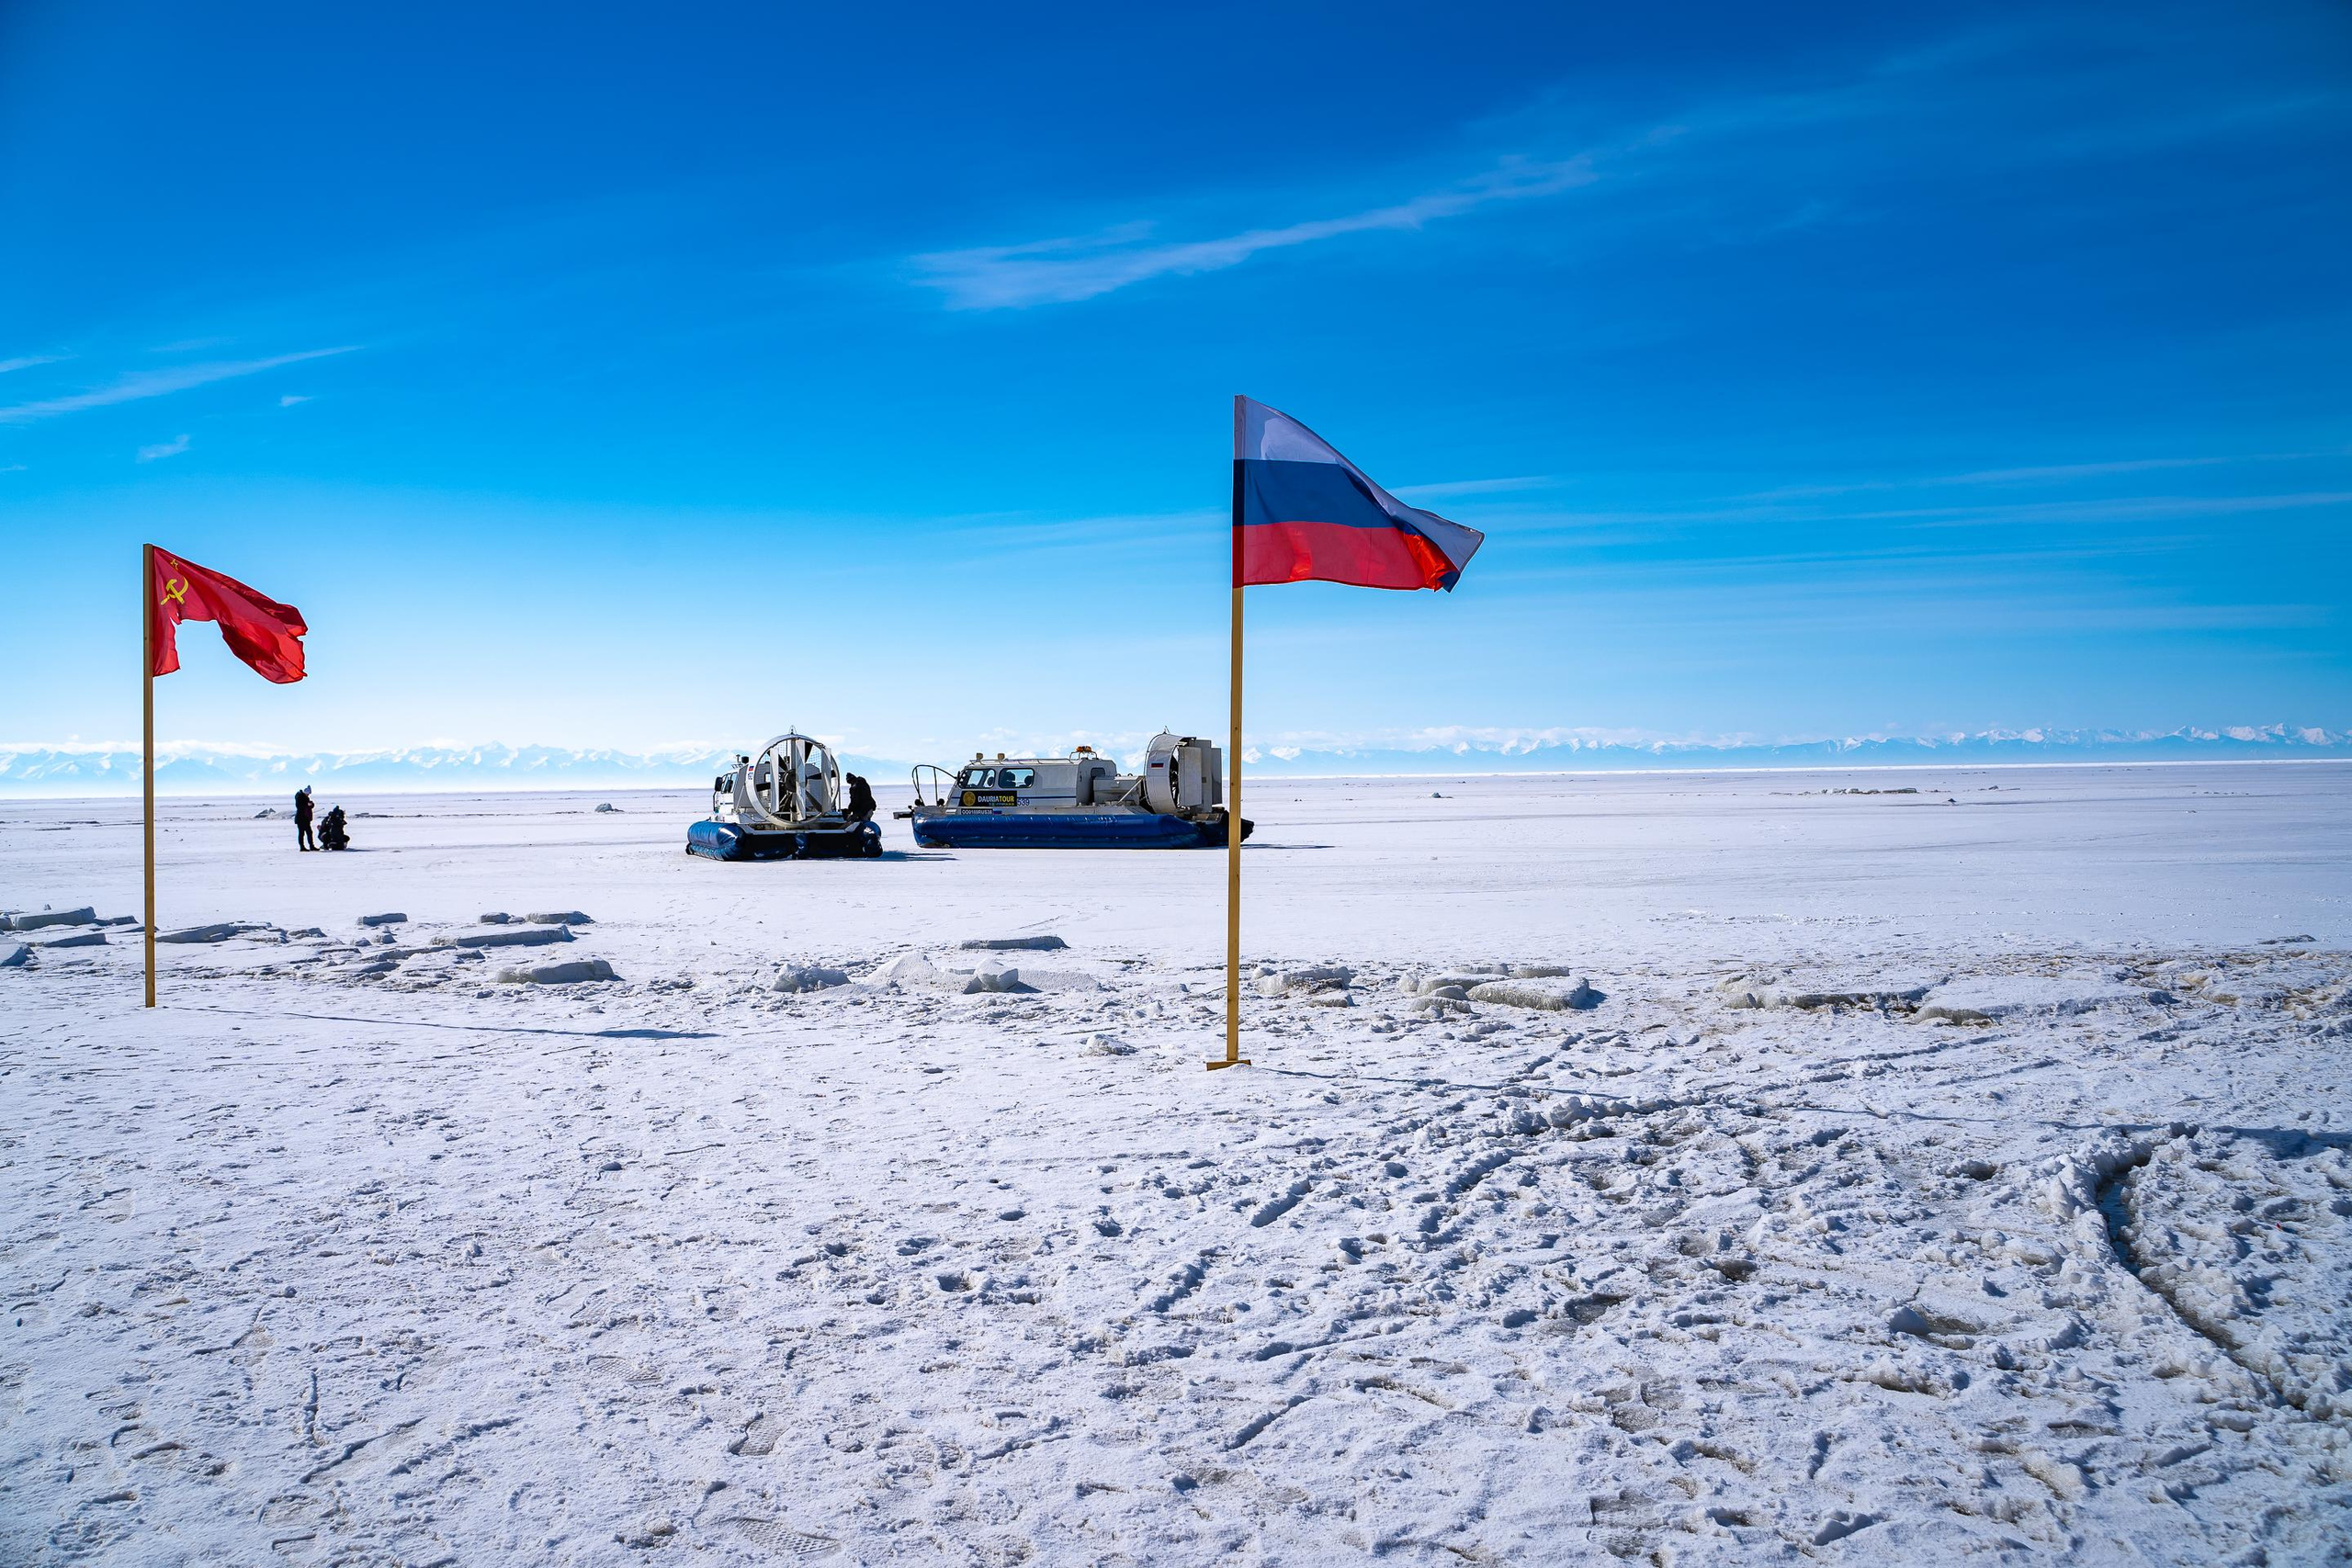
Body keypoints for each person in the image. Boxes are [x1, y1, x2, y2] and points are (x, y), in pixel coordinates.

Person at [294, 786, 316, 852]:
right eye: (308, 793)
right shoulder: (300, 798)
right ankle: (302, 847)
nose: (308, 795)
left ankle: (311, 846)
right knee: (302, 833)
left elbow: (310, 806)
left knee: (309, 832)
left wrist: (310, 804)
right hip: (301, 818)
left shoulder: (304, 797)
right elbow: (300, 807)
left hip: (305, 818)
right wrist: (307, 805)